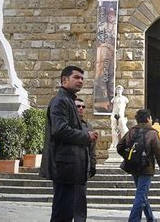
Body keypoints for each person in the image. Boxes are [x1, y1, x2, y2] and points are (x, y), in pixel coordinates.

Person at [40, 66, 99, 222]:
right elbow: (60, 130)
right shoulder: (60, 101)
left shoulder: (69, 101)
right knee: (62, 213)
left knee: (67, 212)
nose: (80, 80)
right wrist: (86, 135)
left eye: (82, 78)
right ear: (64, 80)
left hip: (71, 168)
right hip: (64, 167)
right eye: (76, 77)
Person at [117, 109, 160, 222]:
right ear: (148, 119)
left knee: (142, 193)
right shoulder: (153, 133)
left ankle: (150, 218)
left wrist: (129, 157)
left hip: (133, 166)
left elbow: (119, 146)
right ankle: (133, 220)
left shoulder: (131, 131)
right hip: (146, 168)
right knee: (141, 195)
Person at [73, 98, 97, 222]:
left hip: (82, 167)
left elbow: (92, 148)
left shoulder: (88, 126)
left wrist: (93, 164)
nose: (81, 108)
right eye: (78, 106)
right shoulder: (67, 125)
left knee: (81, 200)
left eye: (83, 106)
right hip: (67, 167)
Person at [109, 85, 129, 149]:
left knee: (123, 128)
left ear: (122, 90)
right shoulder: (114, 99)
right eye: (117, 90)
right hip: (114, 114)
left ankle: (123, 143)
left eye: (120, 89)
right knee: (114, 129)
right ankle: (115, 143)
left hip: (121, 115)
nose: (118, 91)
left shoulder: (125, 99)